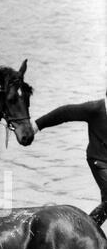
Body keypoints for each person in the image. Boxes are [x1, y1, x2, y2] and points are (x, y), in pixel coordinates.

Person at [33, 92, 107, 225]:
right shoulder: (96, 108)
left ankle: (90, 234)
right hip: (99, 161)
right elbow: (65, 113)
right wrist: (37, 125)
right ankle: (85, 231)